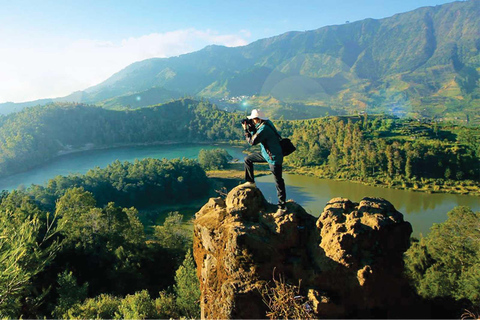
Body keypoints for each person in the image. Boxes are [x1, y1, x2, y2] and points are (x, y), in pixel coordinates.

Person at [239, 109, 287, 217]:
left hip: (274, 158)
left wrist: (246, 130)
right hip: (267, 154)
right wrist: (251, 128)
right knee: (248, 159)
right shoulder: (265, 123)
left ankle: (282, 207)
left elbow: (252, 142)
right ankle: (250, 181)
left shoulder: (264, 128)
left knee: (278, 181)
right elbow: (256, 135)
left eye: (253, 119)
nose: (252, 121)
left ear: (258, 119)